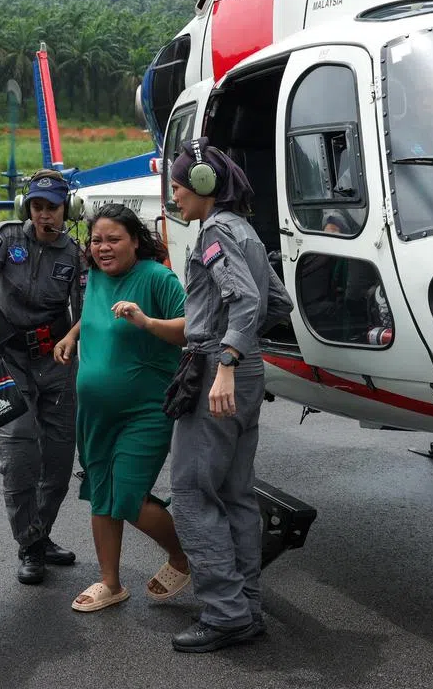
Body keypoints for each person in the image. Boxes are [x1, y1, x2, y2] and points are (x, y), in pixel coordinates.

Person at [165, 138, 293, 653]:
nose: (174, 197)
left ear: (202, 185)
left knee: (194, 496)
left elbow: (242, 301)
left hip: (218, 369)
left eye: (177, 187)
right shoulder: (246, 231)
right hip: (244, 369)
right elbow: (276, 301)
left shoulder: (215, 232)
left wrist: (225, 364)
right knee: (237, 495)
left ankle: (224, 613)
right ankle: (246, 608)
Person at [53, 204, 191, 612]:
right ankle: (110, 583)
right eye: (96, 240)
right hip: (95, 413)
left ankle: (185, 556)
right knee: (101, 494)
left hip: (146, 410)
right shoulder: (94, 276)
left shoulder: (156, 278)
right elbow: (97, 315)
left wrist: (146, 322)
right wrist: (72, 334)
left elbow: (191, 330)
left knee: (128, 497)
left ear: (135, 240)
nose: (103, 248)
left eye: (113, 239)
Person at [0, 169, 83, 585]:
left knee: (57, 460)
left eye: (51, 207)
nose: (43, 215)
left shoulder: (75, 254)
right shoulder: (7, 237)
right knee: (19, 459)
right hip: (10, 361)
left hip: (56, 361)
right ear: (25, 207)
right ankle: (30, 545)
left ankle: (41, 533)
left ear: (67, 209)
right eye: (36, 206)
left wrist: (72, 337)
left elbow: (85, 311)